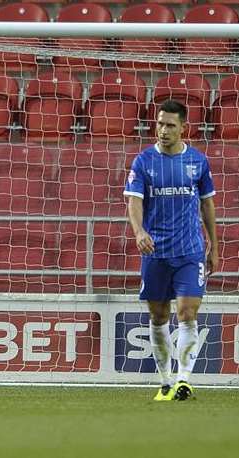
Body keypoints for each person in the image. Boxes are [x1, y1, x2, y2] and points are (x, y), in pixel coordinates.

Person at [124, 99, 219, 402]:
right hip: (155, 252)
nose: (163, 130)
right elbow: (134, 201)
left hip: (190, 251)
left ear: (183, 128)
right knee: (158, 315)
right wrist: (139, 231)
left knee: (187, 312)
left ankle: (183, 380)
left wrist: (214, 246)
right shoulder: (143, 161)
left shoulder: (198, 161)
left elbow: (207, 204)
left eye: (170, 125)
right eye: (160, 123)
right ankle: (165, 381)